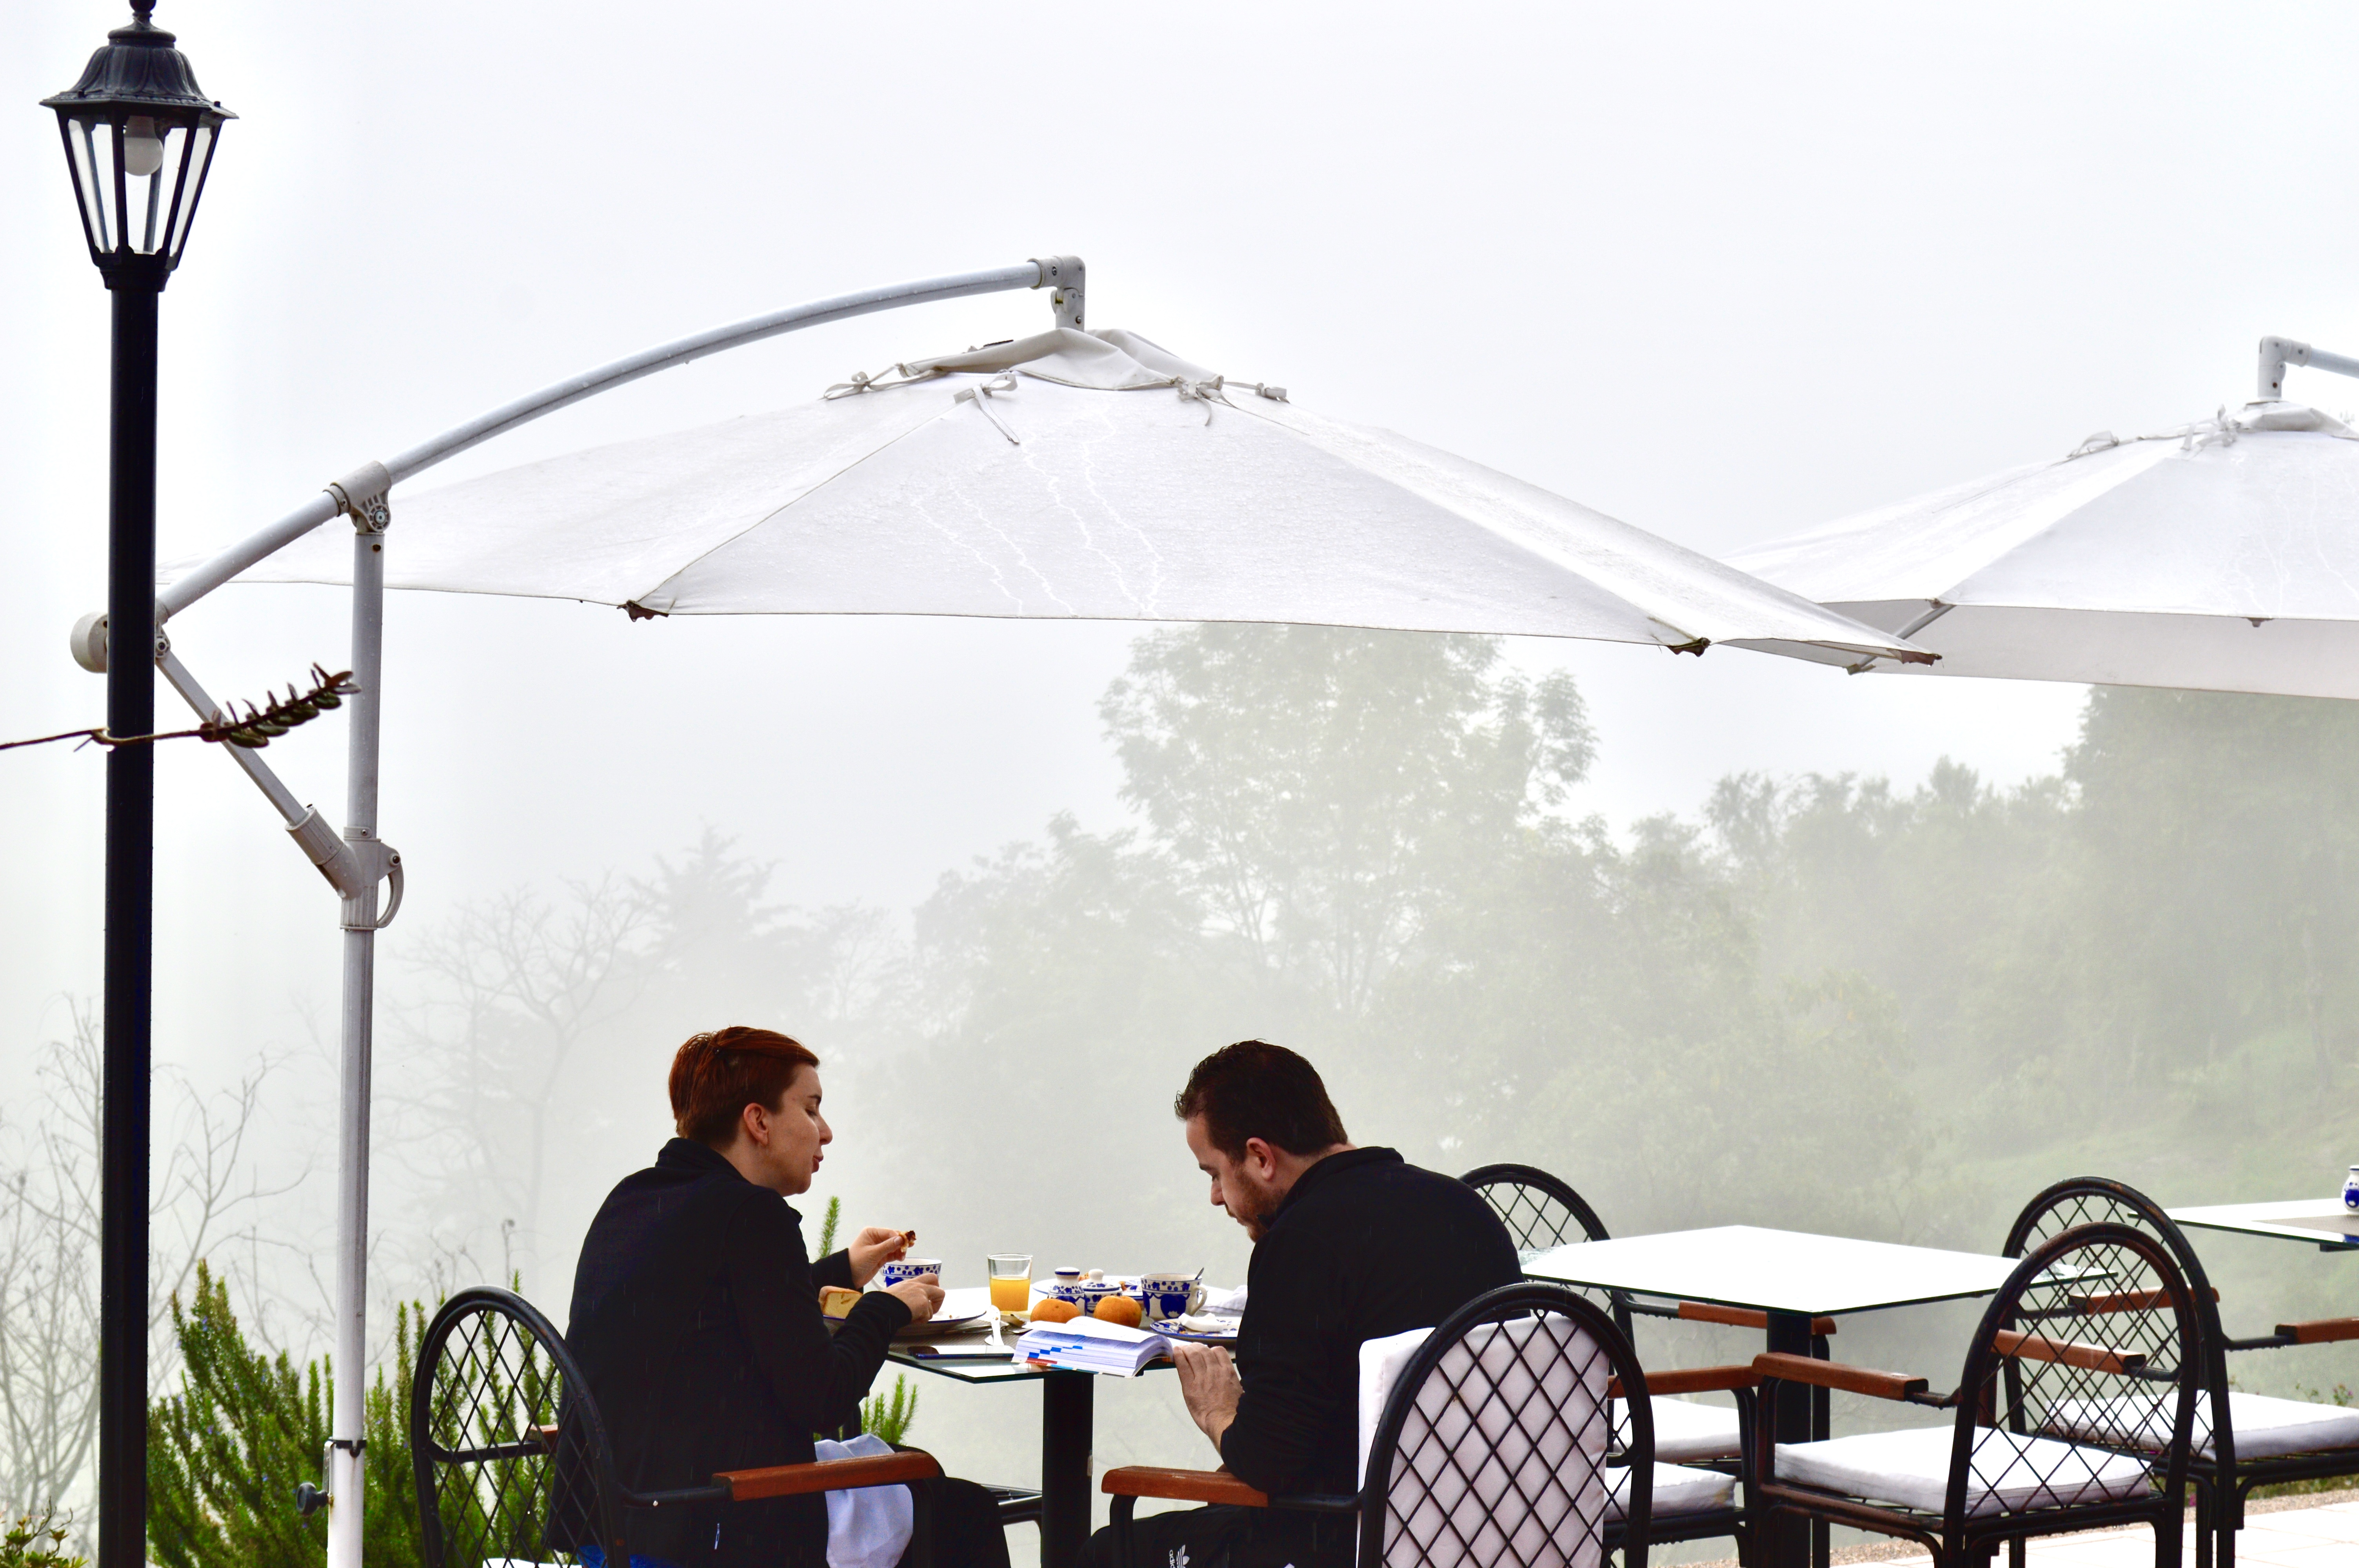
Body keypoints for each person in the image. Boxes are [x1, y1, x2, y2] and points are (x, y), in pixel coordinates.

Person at [565, 1026, 1011, 1568]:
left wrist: (845, 1270)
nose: (826, 1132)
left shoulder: (636, 1199)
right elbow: (824, 1397)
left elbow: (727, 1307)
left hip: (618, 1526)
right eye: (811, 1108)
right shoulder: (754, 1216)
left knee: (919, 1478)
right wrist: (888, 1308)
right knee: (963, 1509)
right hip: (713, 1530)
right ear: (758, 1121)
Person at [1088, 1040, 1521, 1568]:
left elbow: (1269, 1463)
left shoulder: (1302, 1242)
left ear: (1261, 1157)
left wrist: (1218, 1409)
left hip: (1347, 1541)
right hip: (1505, 1533)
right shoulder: (1465, 1209)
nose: (1216, 1198)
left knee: (1106, 1553)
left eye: (1214, 1174)